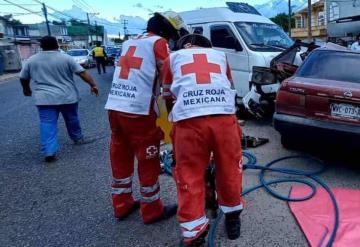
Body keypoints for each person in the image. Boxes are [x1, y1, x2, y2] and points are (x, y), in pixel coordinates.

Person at [104, 12, 187, 224]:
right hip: (138, 110)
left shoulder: (129, 42)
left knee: (120, 154)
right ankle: (152, 209)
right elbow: (169, 74)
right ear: (165, 31)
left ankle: (121, 204)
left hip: (114, 106)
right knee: (148, 157)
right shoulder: (158, 43)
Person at [162, 34, 244, 246]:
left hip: (189, 124)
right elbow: (228, 87)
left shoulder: (171, 58)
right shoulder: (221, 56)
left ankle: (194, 233)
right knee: (230, 169)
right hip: (224, 120)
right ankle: (233, 217)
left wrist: (177, 123)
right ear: (208, 47)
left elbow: (168, 96)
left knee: (189, 175)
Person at [20, 36, 99, 162]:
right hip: (67, 97)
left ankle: (49, 151)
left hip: (44, 99)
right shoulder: (66, 58)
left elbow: (23, 77)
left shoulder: (31, 60)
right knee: (72, 119)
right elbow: (82, 73)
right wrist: (93, 85)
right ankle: (77, 138)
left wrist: (26, 89)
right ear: (57, 45)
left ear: (41, 46)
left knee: (47, 123)